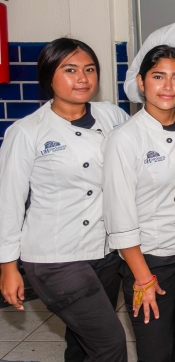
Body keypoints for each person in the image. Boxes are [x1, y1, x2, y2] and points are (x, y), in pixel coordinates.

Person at [0, 39, 129, 362]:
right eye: (70, 70)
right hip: (54, 256)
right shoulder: (28, 131)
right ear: (48, 76)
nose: (82, 79)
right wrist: (7, 266)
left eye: (89, 70)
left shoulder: (113, 116)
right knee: (110, 343)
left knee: (82, 342)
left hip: (105, 250)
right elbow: (9, 201)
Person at [103, 45, 175, 362]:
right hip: (148, 259)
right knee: (155, 350)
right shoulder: (126, 137)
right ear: (142, 82)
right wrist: (142, 279)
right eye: (158, 77)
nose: (168, 87)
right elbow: (119, 213)